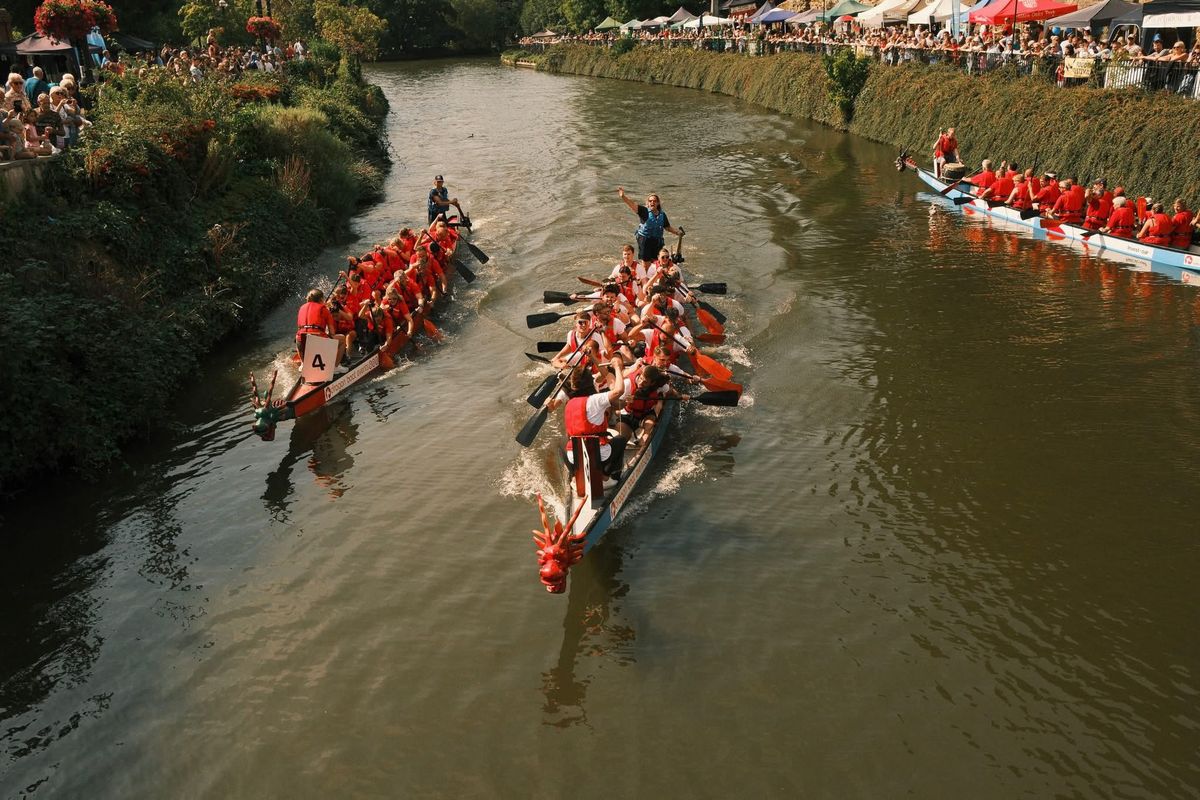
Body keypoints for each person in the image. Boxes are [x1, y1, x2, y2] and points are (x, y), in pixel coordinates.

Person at [548, 356, 627, 482]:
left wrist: (548, 404)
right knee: (621, 440)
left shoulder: (569, 403)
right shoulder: (595, 400)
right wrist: (618, 367)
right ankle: (607, 475)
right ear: (589, 382)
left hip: (574, 457)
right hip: (598, 454)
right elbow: (619, 390)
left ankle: (576, 476)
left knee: (566, 445)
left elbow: (552, 408)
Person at [617, 187, 684, 267]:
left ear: (658, 203)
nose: (652, 202)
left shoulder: (662, 215)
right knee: (647, 264)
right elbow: (632, 205)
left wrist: (677, 232)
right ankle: (645, 275)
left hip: (657, 241)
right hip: (645, 241)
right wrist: (623, 196)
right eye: (650, 201)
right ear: (648, 203)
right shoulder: (644, 211)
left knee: (658, 261)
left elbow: (667, 227)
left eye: (654, 201)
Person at [296, 289, 345, 365]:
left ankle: (303, 364)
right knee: (342, 339)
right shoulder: (324, 309)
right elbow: (332, 333)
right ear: (321, 299)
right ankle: (336, 366)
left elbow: (300, 329)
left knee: (297, 337)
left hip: (301, 343)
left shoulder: (301, 308)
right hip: (317, 341)